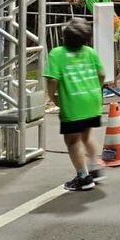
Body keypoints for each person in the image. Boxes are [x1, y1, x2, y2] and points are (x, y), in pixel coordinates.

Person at [44, 18, 105, 191]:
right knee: (86, 136)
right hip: (92, 100)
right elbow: (101, 74)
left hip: (73, 102)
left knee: (73, 141)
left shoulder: (57, 53)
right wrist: (95, 89)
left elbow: (53, 81)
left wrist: (53, 97)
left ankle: (84, 177)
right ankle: (94, 167)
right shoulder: (90, 52)